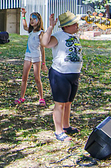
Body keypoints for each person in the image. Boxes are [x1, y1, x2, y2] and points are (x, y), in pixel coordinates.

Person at [41, 11, 83, 141]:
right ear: (66, 26)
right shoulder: (58, 36)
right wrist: (50, 27)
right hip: (60, 74)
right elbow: (45, 43)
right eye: (74, 24)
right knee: (60, 103)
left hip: (73, 75)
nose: (76, 25)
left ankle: (66, 126)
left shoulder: (74, 37)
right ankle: (58, 131)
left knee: (68, 102)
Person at [18, 9, 47, 106]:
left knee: (37, 78)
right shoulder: (30, 31)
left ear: (39, 20)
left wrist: (43, 63)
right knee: (24, 77)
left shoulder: (40, 33)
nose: (32, 21)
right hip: (28, 55)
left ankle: (41, 98)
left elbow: (42, 48)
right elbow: (24, 26)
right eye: (30, 19)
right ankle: (22, 97)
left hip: (36, 57)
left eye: (34, 19)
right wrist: (23, 16)